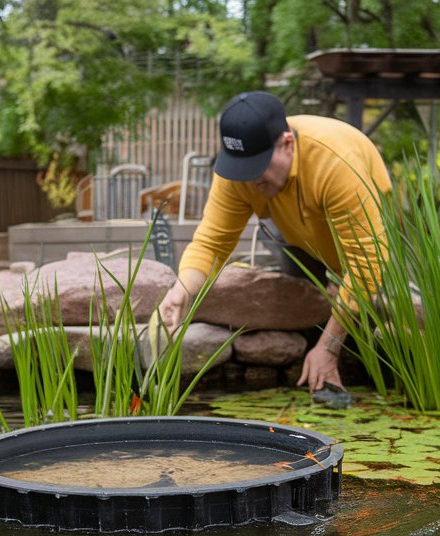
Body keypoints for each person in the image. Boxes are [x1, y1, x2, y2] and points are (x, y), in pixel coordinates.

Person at [156, 90, 392, 393]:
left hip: (366, 232)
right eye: (242, 169)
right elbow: (212, 243)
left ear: (287, 144)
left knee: (372, 319)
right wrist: (181, 292)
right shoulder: (238, 175)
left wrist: (330, 348)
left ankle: (354, 368)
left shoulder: (335, 163)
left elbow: (366, 262)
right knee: (306, 309)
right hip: (298, 237)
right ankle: (316, 374)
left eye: (257, 167)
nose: (250, 180)